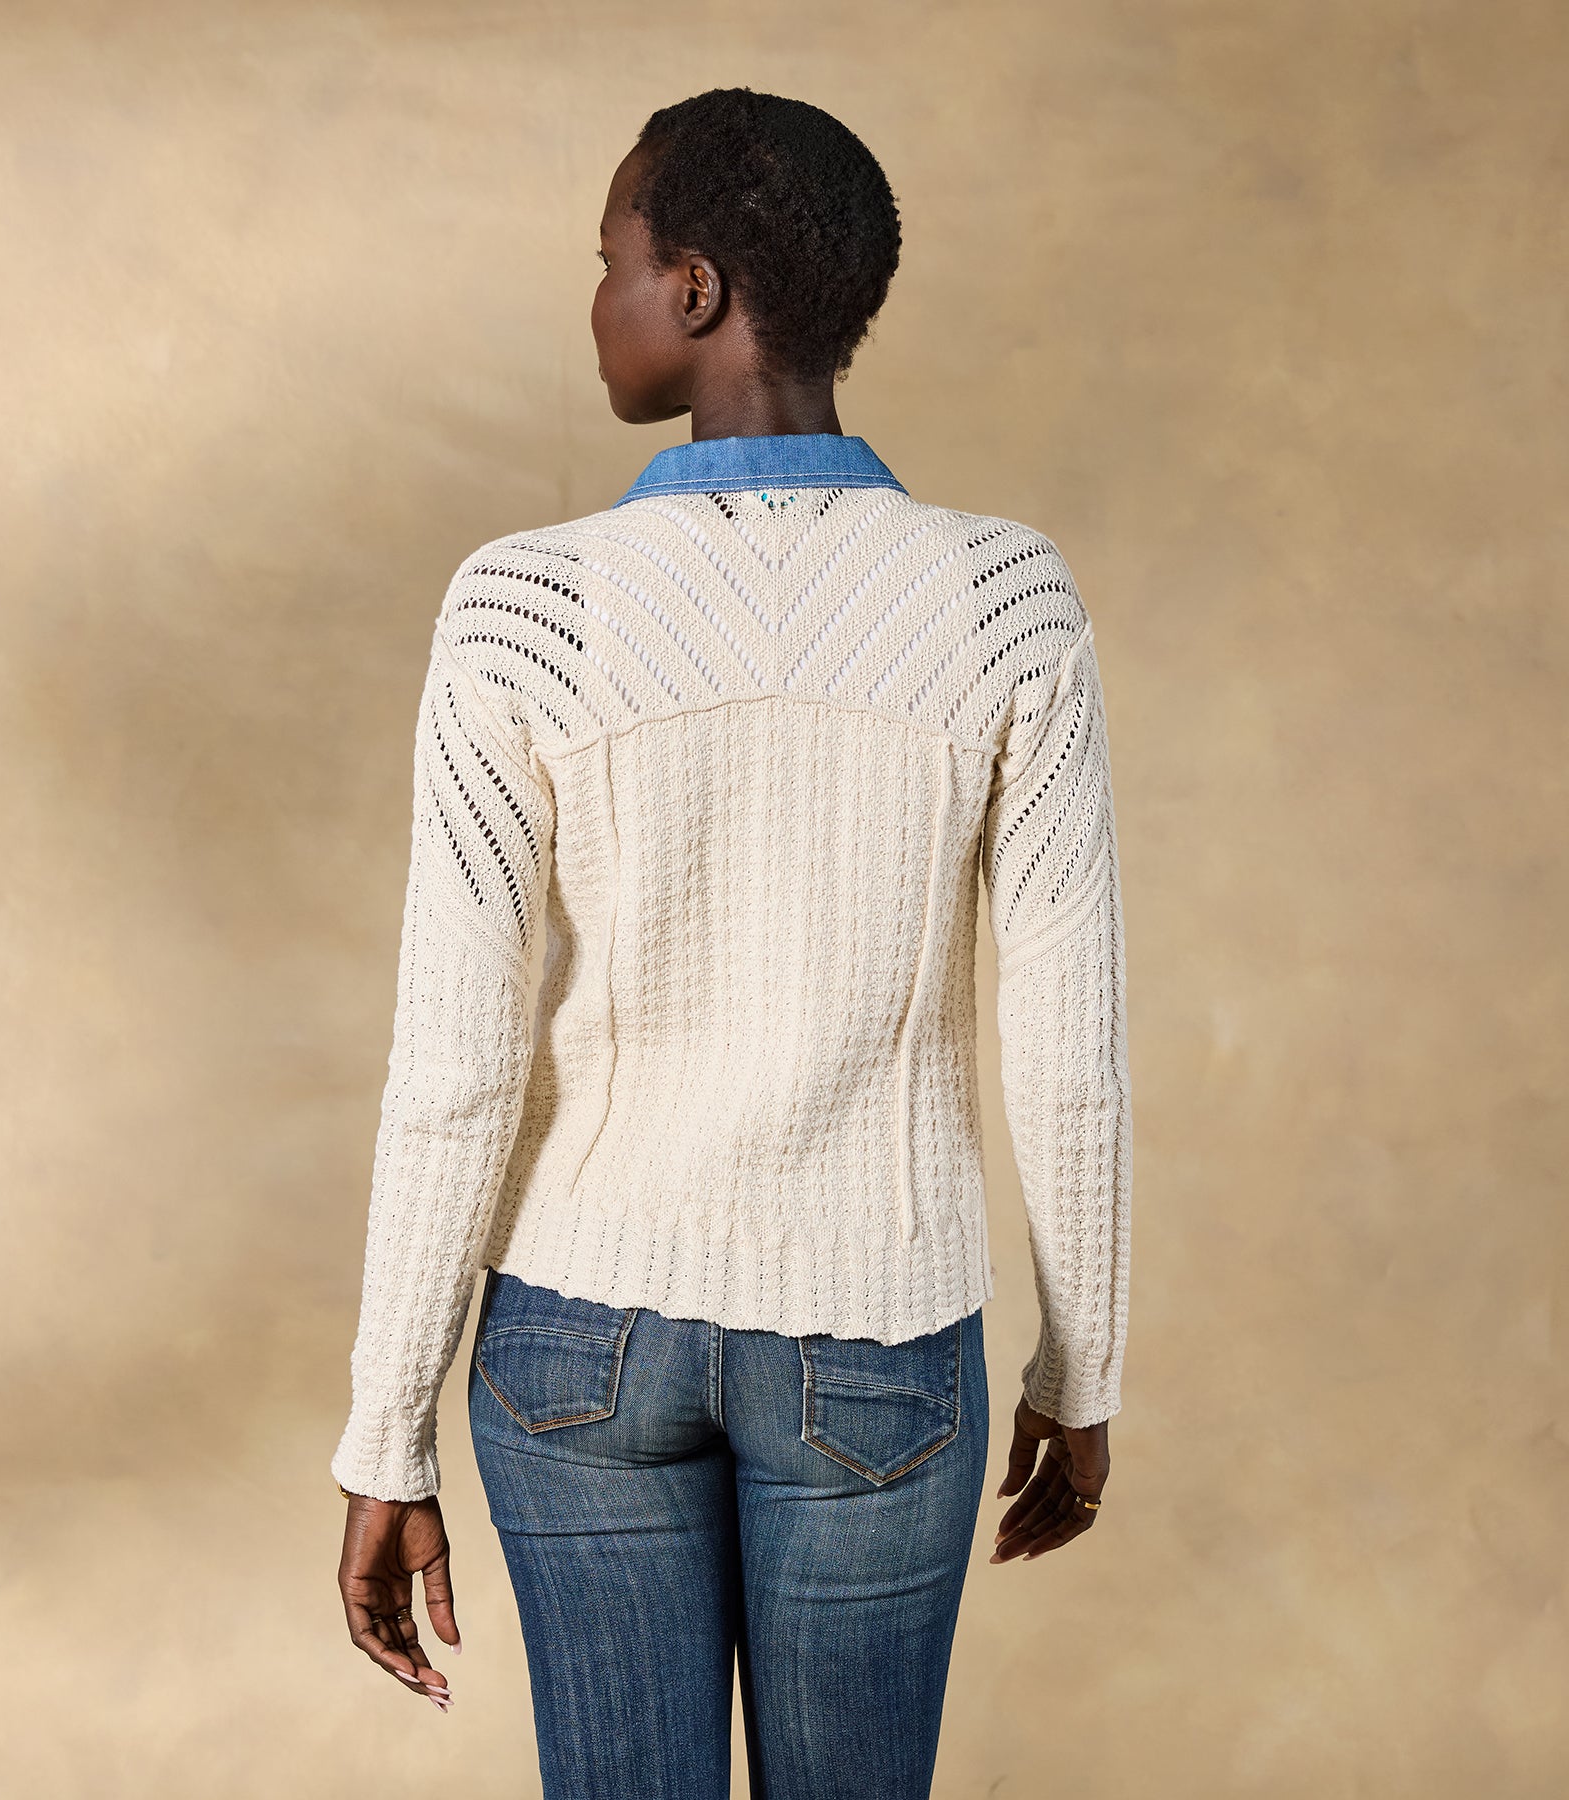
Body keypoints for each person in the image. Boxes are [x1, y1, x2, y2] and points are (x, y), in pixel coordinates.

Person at [332, 86, 1132, 1800]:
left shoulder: (525, 605)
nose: (597, 297)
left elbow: (458, 1065)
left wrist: (386, 1428)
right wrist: (1083, 1367)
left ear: (694, 288)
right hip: (882, 1334)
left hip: (576, 1341)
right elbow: (1070, 1045)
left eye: (611, 257)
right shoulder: (1004, 601)